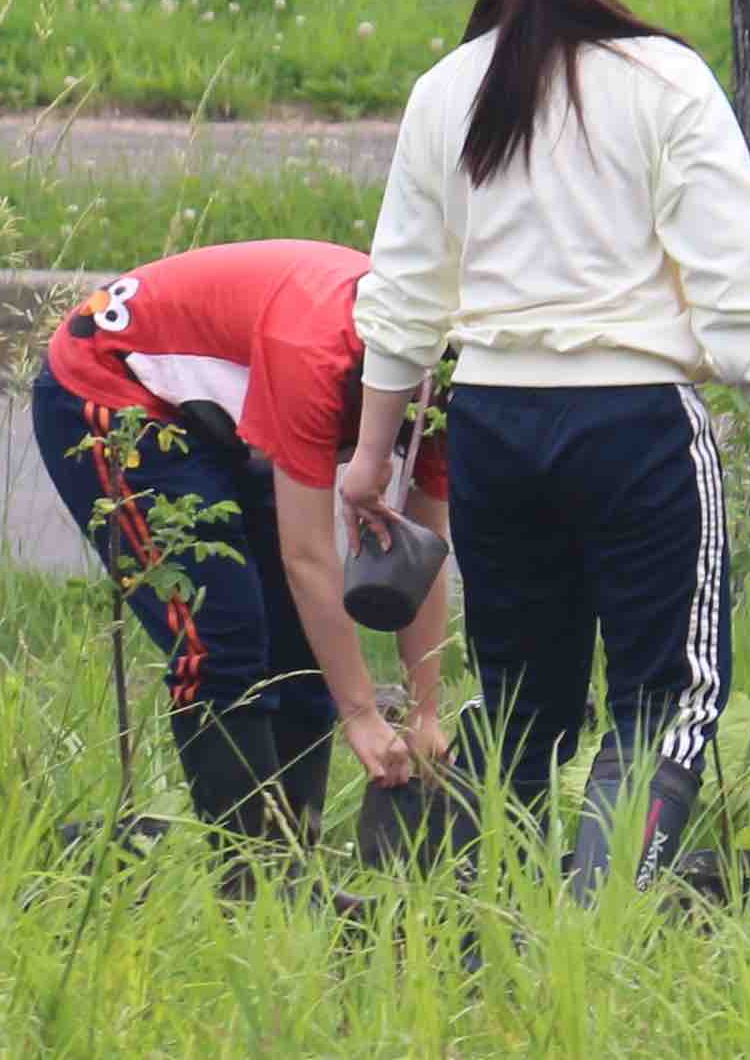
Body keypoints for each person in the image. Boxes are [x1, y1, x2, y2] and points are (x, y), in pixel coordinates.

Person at [338, 0, 750, 891]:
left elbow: (404, 293)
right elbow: (732, 275)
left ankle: (481, 912)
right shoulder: (665, 83)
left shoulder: (448, 88)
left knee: (522, 699)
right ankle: (602, 917)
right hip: (637, 426)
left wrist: (372, 457)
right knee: (668, 698)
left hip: (496, 426)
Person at [32, 239, 456, 859]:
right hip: (108, 386)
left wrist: (424, 711)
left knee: (300, 644)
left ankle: (293, 860)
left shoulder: (444, 383)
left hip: (216, 421)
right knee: (221, 635)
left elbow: (424, 546)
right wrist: (361, 714)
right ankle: (249, 881)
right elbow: (308, 556)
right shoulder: (317, 353)